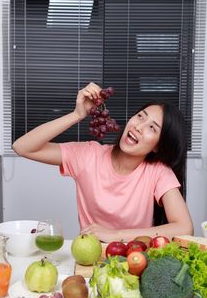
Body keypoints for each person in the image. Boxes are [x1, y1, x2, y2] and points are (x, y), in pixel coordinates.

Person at [12, 82, 194, 243]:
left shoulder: (158, 172)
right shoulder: (89, 155)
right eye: (140, 116)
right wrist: (77, 114)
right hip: (89, 257)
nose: (138, 127)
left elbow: (185, 228)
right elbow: (22, 147)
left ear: (158, 146)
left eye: (152, 128)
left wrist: (115, 235)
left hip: (135, 261)